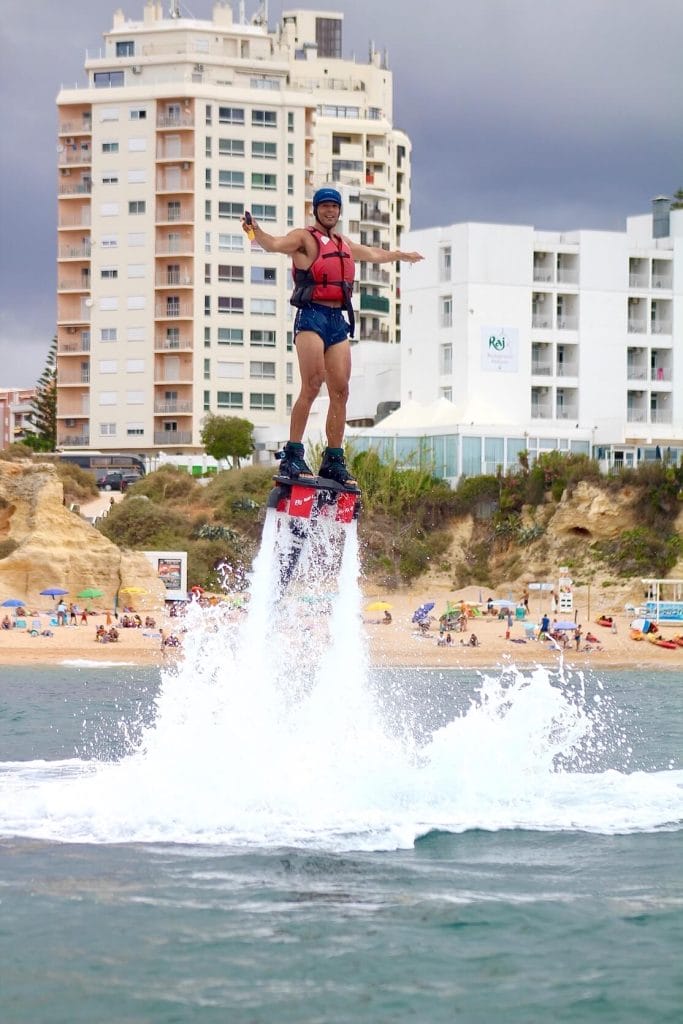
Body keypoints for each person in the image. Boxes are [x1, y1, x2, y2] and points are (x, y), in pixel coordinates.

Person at [242, 188, 424, 486]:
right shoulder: (304, 238)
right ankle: (293, 454)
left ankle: (334, 459)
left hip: (337, 320)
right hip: (311, 316)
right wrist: (255, 230)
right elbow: (273, 244)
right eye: (324, 206)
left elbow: (376, 254)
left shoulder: (344, 244)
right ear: (316, 210)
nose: (330, 211)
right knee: (312, 385)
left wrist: (401, 255)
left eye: (334, 207)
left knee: (341, 391)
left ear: (339, 211)